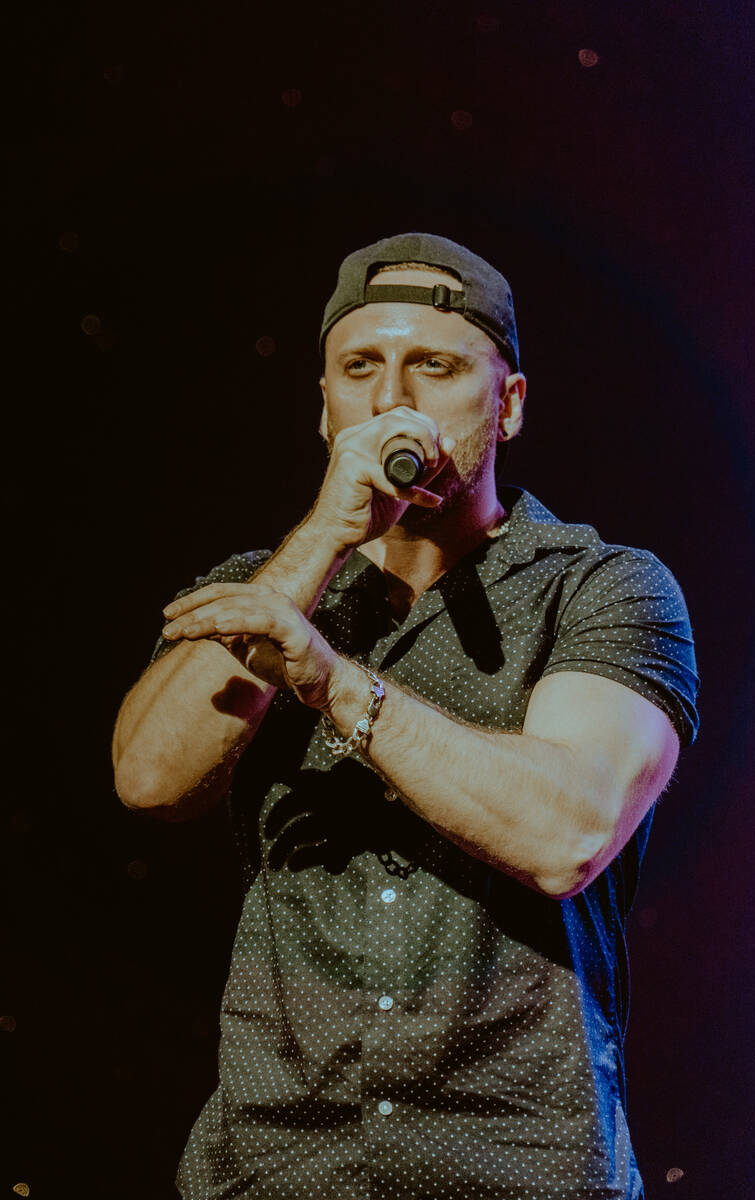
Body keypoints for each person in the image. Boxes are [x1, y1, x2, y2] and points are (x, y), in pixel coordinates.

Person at [112, 232, 699, 1200]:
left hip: (519, 1168)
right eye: (360, 369)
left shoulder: (604, 588)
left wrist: (330, 682)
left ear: (508, 405)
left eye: (434, 365)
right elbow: (147, 778)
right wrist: (321, 539)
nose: (392, 399)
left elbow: (566, 834)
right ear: (324, 408)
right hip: (275, 1168)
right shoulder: (264, 589)